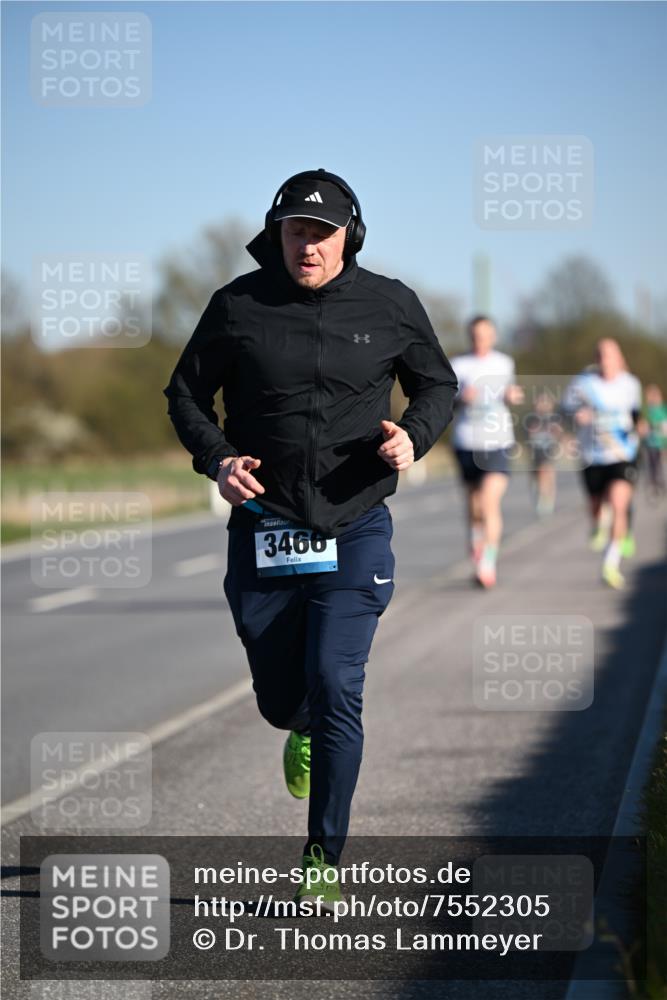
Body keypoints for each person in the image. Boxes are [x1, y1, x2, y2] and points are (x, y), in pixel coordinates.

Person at [164, 169, 458, 908]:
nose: (309, 246)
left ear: (348, 236)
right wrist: (217, 459)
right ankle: (295, 723)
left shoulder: (391, 304)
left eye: (323, 234)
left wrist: (412, 438)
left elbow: (437, 384)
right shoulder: (237, 305)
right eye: (297, 231)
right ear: (277, 234)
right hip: (264, 528)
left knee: (336, 684)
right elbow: (185, 394)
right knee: (278, 695)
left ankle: (323, 852)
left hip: (354, 523)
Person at [450, 315, 523, 588]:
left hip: (497, 441)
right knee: (473, 505)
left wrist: (511, 396)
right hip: (467, 441)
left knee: (489, 501)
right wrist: (460, 398)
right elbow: (446, 402)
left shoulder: (504, 363)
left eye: (485, 334)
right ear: (469, 336)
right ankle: (475, 539)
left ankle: (488, 562)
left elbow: (510, 393)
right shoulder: (458, 365)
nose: (480, 340)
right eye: (475, 335)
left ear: (493, 336)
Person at [563, 339, 641, 590]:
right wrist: (577, 416)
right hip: (591, 456)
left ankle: (611, 562)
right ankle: (598, 524)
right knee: (597, 508)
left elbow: (636, 415)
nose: (605, 360)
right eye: (601, 355)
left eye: (610, 355)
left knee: (619, 504)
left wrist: (638, 430)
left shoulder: (630, 384)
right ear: (596, 358)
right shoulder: (583, 384)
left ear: (620, 358)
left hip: (621, 454)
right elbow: (564, 411)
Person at [525, 391, 561, 517]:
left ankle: (547, 499)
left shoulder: (554, 419)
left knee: (546, 473)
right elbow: (528, 436)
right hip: (536, 452)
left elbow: (558, 434)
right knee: (537, 476)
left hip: (548, 451)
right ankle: (541, 493)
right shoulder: (531, 418)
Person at [639, 383, 667, 498]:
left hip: (661, 442)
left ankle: (661, 483)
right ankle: (653, 484)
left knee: (661, 465)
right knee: (651, 465)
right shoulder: (646, 410)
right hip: (649, 444)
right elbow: (642, 426)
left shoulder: (663, 409)